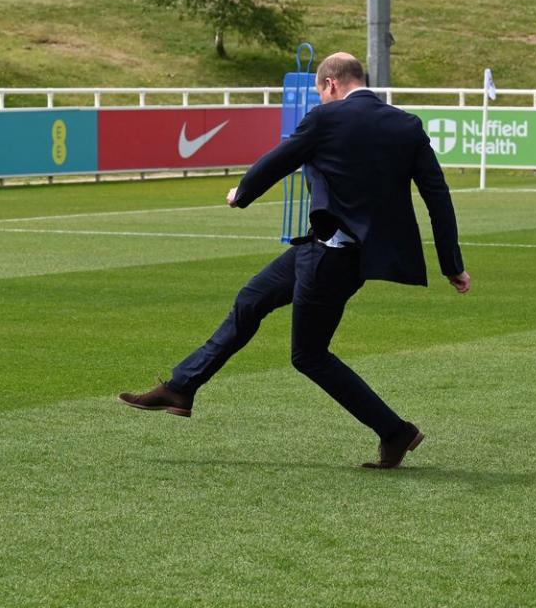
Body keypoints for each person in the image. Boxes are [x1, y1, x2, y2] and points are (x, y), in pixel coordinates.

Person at [119, 52, 471, 469]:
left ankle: (395, 432)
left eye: (321, 93)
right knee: (251, 300)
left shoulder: (326, 118)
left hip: (333, 257)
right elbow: (437, 195)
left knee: (309, 355)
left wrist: (242, 194)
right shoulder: (406, 125)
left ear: (331, 85)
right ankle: (182, 386)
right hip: (332, 251)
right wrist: (452, 263)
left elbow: (281, 159)